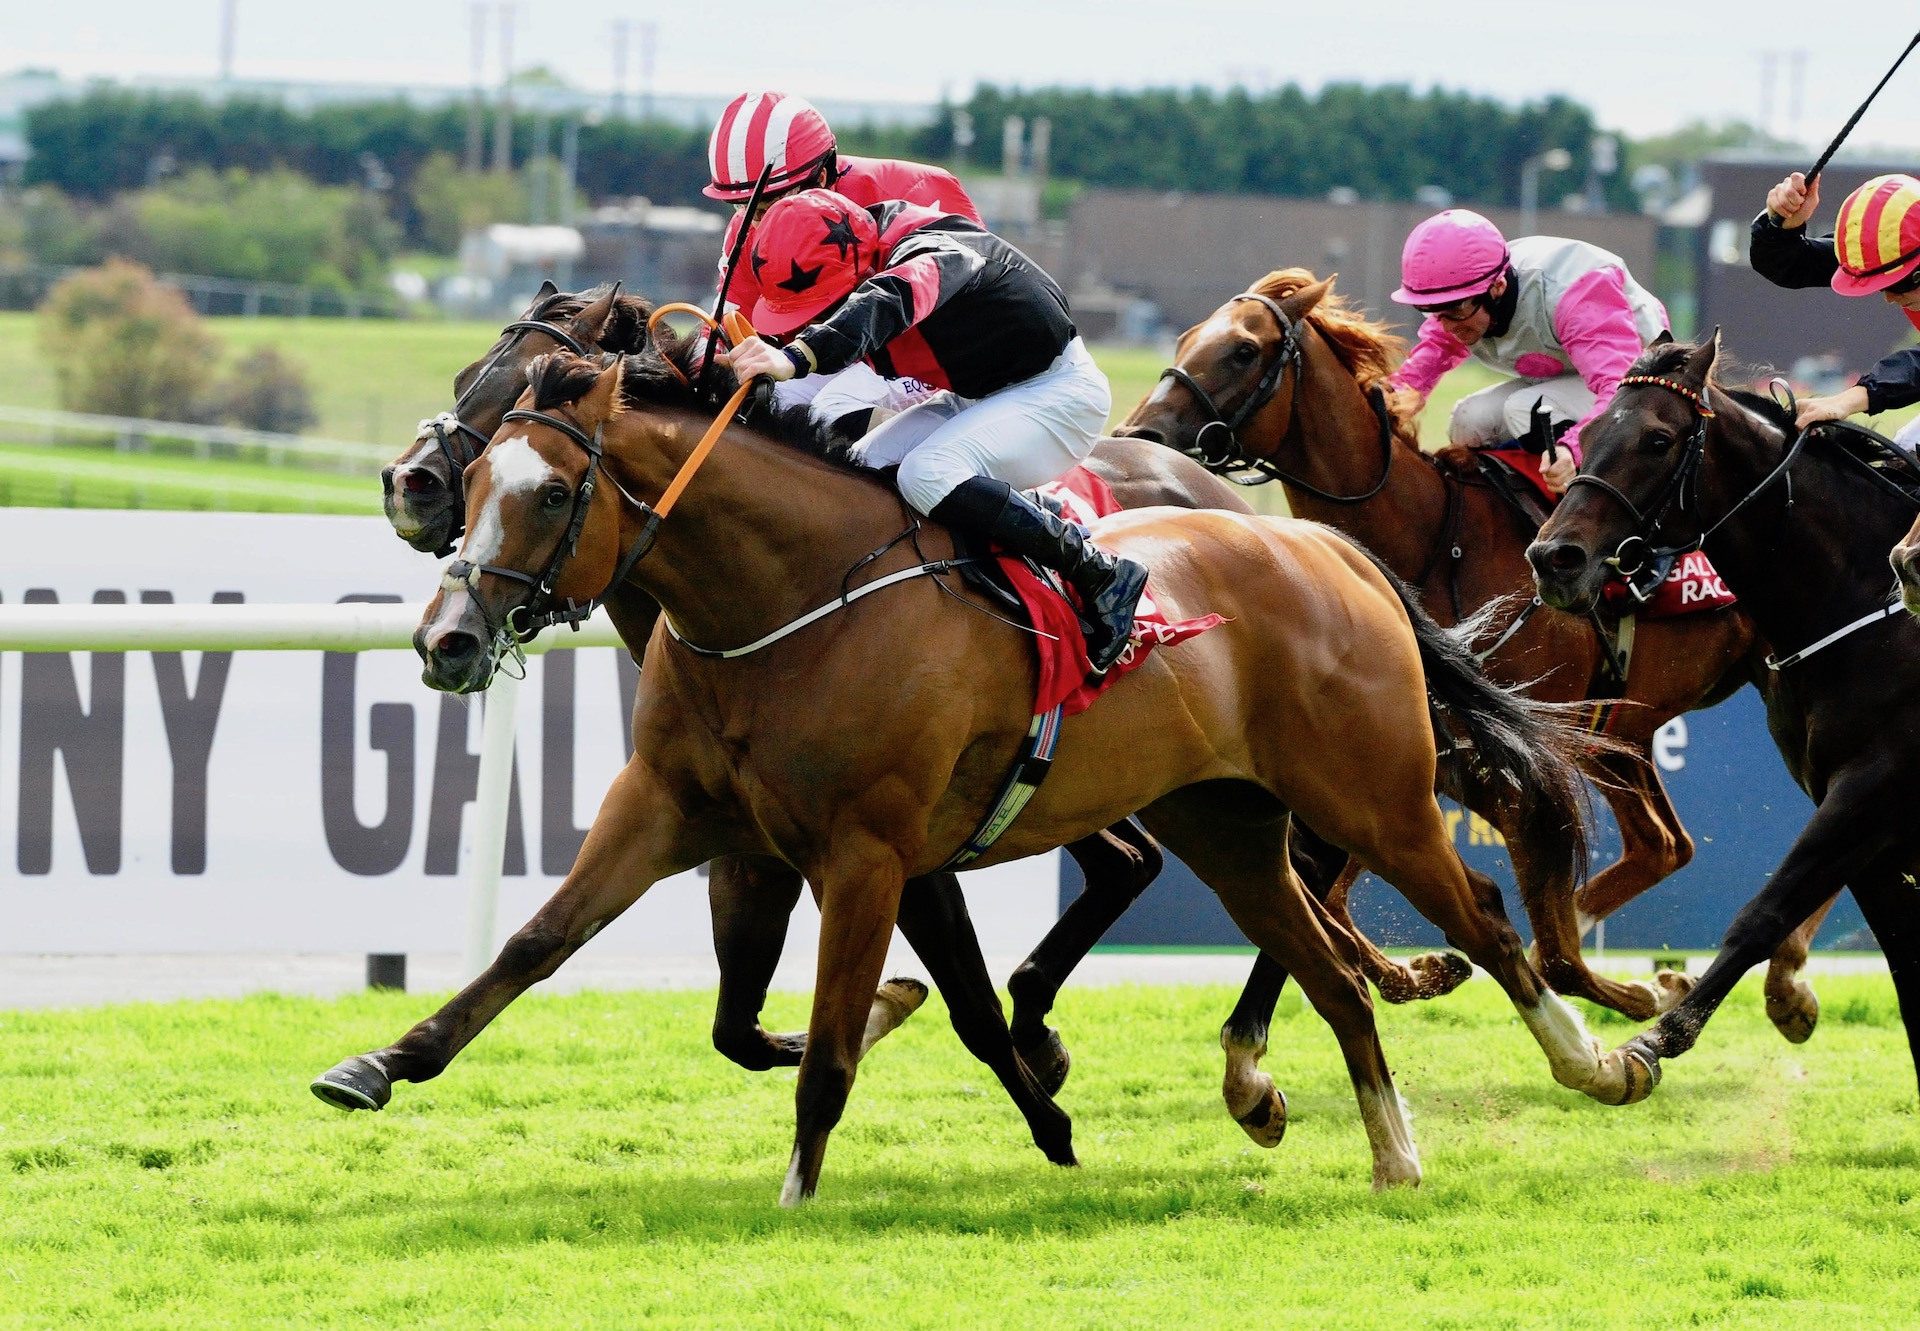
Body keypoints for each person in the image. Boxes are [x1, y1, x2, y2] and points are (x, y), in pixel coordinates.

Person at [718, 189, 1146, 678]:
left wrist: (794, 358)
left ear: (858, 268)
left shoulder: (933, 252)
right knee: (861, 479)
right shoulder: (853, 244)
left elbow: (887, 300)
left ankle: (1102, 572)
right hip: (981, 395)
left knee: (927, 473)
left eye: (824, 306)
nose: (815, 320)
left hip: (1058, 395)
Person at [703, 91, 982, 435]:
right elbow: (723, 329)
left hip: (924, 352)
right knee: (764, 404)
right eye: (742, 206)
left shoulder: (919, 188)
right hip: (833, 352)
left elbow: (969, 295)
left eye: (767, 205)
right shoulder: (746, 228)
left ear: (820, 178)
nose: (755, 221)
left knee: (831, 411)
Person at [1387, 209, 1670, 495]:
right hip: (1575, 373)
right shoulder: (1466, 295)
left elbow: (1616, 389)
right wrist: (1400, 392)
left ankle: (1591, 511)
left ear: (1497, 287)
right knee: (1469, 420)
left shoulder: (1574, 295)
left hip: (1636, 383)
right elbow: (1436, 348)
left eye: (1454, 311)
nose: (1446, 326)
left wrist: (1573, 451)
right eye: (1432, 311)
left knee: (1524, 409)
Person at [1752, 171, 1920, 442]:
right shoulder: (1890, 247)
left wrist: (1846, 400)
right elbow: (1792, 265)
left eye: (1899, 283)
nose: (1889, 298)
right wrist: (1780, 226)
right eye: (1881, 285)